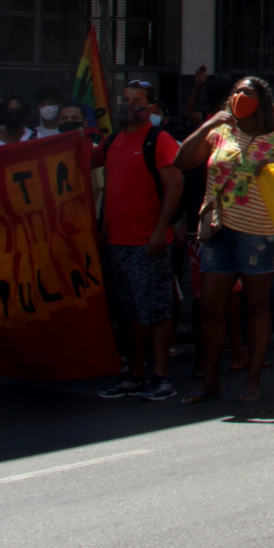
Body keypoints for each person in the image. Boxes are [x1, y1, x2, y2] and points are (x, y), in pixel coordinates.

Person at [174, 76, 274, 403]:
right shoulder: (220, 132)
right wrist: (208, 125)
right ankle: (210, 382)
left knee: (257, 305)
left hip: (259, 233)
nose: (239, 96)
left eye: (248, 92)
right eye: (236, 91)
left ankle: (253, 377)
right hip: (217, 230)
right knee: (210, 307)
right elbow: (183, 161)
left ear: (263, 101)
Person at [92, 94, 184, 401]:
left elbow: (175, 185)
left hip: (148, 244)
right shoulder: (113, 140)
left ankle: (160, 376)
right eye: (126, 101)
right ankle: (133, 375)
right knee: (128, 314)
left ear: (151, 109)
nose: (130, 107)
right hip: (116, 244)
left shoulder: (159, 139)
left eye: (138, 102)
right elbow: (85, 161)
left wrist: (161, 231)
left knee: (156, 311)